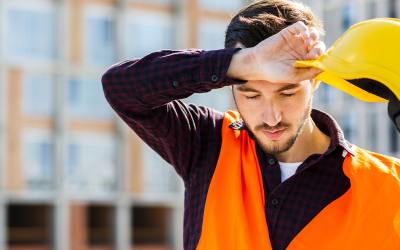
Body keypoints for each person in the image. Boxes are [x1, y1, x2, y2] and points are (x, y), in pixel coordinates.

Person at [102, 0, 400, 249]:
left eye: (287, 92)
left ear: (314, 81)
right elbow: (121, 87)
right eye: (251, 94)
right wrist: (244, 63)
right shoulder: (207, 142)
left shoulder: (390, 185)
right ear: (231, 85)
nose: (271, 117)